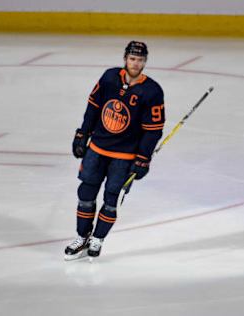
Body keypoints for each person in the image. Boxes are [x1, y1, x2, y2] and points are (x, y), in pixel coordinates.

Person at [64, 41, 165, 260]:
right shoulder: (109, 77)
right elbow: (93, 107)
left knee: (112, 199)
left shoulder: (152, 91)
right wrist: (83, 133)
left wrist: (143, 158)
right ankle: (82, 237)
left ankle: (97, 239)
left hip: (124, 156)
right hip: (97, 148)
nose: (136, 63)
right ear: (125, 59)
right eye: (132, 58)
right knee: (86, 194)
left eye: (140, 60)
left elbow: (153, 130)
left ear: (145, 62)